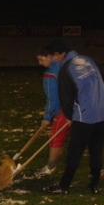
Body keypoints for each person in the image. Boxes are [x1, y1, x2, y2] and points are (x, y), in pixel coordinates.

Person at [45, 37, 104, 194]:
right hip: (102, 111)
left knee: (74, 151)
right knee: (96, 149)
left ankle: (64, 186)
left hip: (84, 117)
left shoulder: (66, 69)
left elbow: (66, 99)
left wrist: (71, 116)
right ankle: (94, 185)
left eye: (56, 55)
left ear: (61, 53)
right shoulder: (89, 59)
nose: (55, 58)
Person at [34, 46, 70, 177]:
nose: (40, 63)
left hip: (64, 109)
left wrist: (48, 116)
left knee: (55, 137)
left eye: (41, 59)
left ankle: (50, 167)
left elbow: (52, 98)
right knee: (84, 136)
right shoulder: (65, 65)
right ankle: (99, 168)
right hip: (79, 107)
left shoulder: (50, 73)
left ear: (50, 56)